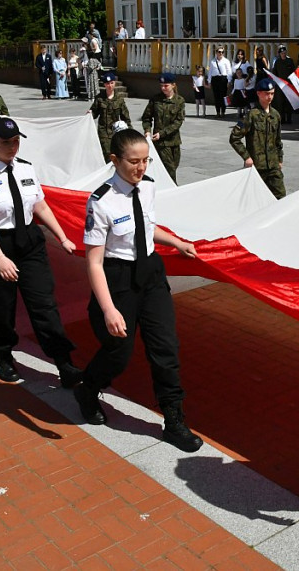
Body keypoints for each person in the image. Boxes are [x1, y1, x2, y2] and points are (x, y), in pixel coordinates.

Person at [74, 127, 203, 453]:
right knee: (118, 353)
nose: (141, 167)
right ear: (115, 160)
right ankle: (88, 389)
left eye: (145, 160)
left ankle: (173, 420)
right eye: (134, 161)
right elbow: (93, 263)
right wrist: (109, 309)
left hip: (151, 274)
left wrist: (177, 242)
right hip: (117, 281)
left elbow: (146, 226)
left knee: (166, 349)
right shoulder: (100, 202)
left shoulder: (147, 189)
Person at [0, 117, 83, 387]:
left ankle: (64, 363)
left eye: (17, 141)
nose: (13, 147)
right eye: (7, 142)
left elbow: (40, 207)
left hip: (30, 242)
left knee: (44, 305)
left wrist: (62, 236)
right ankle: (4, 354)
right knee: (1, 307)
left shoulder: (26, 170)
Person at [230, 77, 285, 199]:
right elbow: (234, 138)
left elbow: (278, 140)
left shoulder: (275, 115)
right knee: (255, 199)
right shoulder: (251, 115)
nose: (269, 97)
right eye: (266, 94)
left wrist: (280, 159)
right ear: (258, 93)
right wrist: (247, 157)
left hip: (273, 166)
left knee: (281, 198)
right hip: (256, 166)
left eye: (272, 94)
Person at [142, 73, 185, 182]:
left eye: (166, 85)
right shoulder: (155, 100)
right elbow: (146, 117)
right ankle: (173, 190)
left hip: (174, 141)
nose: (163, 88)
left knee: (174, 167)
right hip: (160, 142)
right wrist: (147, 131)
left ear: (173, 85)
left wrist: (163, 132)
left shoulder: (179, 101)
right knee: (169, 170)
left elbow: (178, 121)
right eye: (161, 85)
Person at [89, 71, 129, 158]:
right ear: (104, 85)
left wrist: (130, 133)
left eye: (112, 83)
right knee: (107, 154)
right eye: (107, 84)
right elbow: (94, 114)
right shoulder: (99, 98)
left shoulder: (119, 99)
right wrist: (89, 114)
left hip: (116, 132)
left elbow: (126, 117)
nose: (110, 86)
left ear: (114, 83)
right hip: (103, 132)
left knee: (117, 154)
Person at [271, 45, 296, 124]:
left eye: (284, 53)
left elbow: (293, 72)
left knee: (288, 102)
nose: (283, 54)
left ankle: (289, 118)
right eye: (282, 53)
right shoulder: (278, 62)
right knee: (280, 102)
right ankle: (282, 118)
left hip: (288, 84)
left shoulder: (290, 61)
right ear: (279, 54)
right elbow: (275, 73)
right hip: (280, 84)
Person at [206, 46, 232, 119]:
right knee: (216, 96)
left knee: (223, 96)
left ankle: (223, 112)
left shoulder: (226, 61)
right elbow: (210, 72)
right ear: (216, 52)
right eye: (219, 52)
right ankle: (217, 112)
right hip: (215, 79)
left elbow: (229, 71)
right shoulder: (213, 61)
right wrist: (209, 81)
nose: (220, 53)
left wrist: (229, 81)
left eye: (222, 52)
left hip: (223, 79)